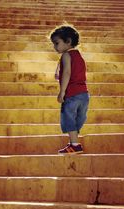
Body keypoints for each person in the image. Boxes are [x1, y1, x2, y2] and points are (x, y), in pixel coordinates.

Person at [50, 25, 90, 153]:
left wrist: (62, 92)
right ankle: (74, 141)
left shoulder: (66, 55)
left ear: (68, 41)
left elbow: (67, 73)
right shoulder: (79, 56)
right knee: (78, 118)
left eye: (57, 43)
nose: (54, 47)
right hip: (84, 94)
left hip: (72, 93)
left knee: (68, 118)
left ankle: (75, 145)